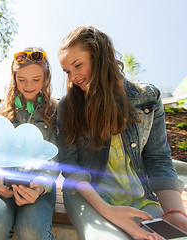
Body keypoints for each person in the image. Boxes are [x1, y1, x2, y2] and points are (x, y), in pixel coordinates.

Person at [57, 25, 187, 240]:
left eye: (78, 65)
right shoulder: (68, 107)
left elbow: (158, 158)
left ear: (99, 57)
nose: (73, 77)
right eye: (67, 71)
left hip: (141, 197)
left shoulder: (148, 98)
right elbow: (71, 167)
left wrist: (174, 213)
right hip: (92, 195)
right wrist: (109, 211)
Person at [0, 47, 59, 240]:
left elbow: (56, 159)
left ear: (46, 78)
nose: (28, 86)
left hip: (39, 182)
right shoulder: (5, 108)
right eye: (21, 79)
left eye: (36, 79)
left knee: (31, 231)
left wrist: (41, 185)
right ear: (14, 77)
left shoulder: (54, 110)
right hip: (5, 179)